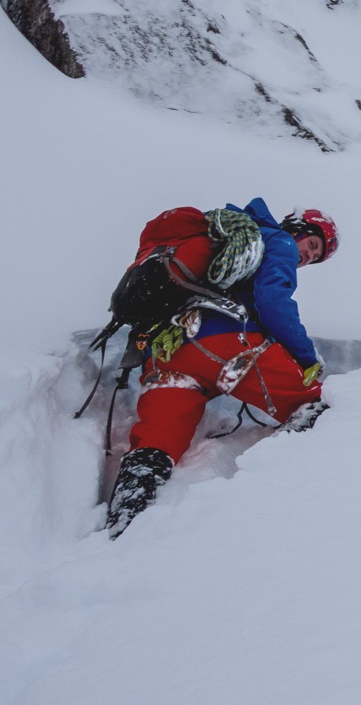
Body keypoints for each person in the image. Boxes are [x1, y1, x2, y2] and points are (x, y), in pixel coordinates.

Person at [105, 199, 339, 536]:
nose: (307, 256)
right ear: (298, 228)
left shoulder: (224, 238)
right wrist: (306, 358)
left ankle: (123, 524)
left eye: (315, 257)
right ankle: (286, 477)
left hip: (168, 354)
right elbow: (273, 302)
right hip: (229, 344)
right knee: (320, 405)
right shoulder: (279, 240)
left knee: (155, 445)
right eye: (312, 245)